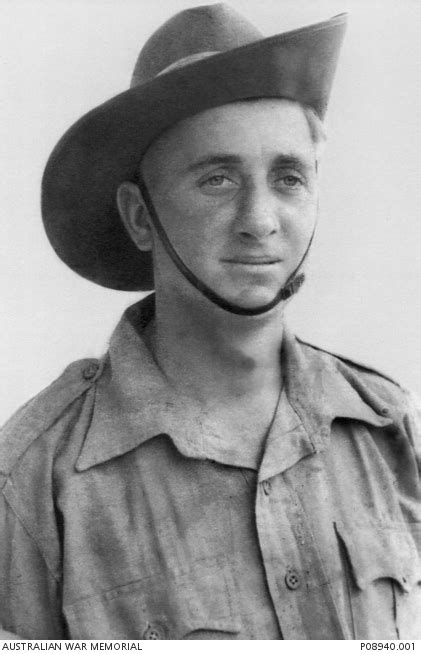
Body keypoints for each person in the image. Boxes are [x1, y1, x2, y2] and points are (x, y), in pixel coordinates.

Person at [0, 3, 420, 641]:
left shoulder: (391, 428)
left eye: (288, 177)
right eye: (217, 179)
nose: (260, 219)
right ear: (141, 217)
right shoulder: (35, 482)